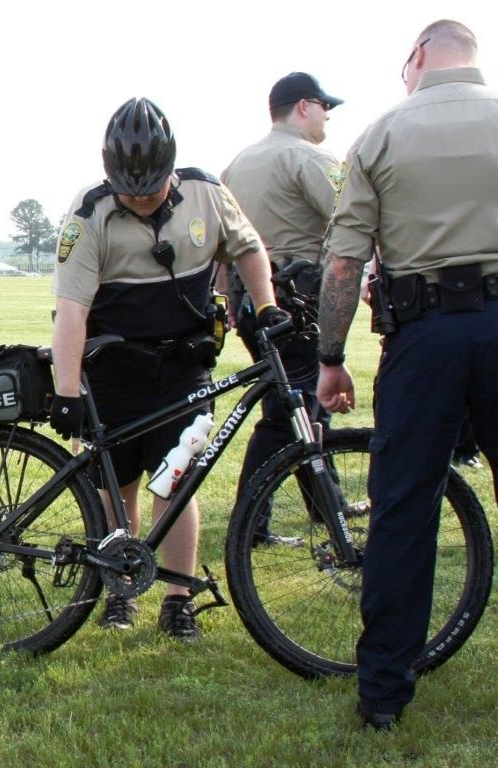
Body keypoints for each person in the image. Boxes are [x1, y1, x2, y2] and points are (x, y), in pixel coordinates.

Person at [315, 20, 498, 729]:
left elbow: (341, 266)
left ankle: (383, 695)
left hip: (421, 338)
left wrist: (329, 360)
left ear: (416, 56)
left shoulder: (381, 135)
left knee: (402, 516)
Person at [50, 97, 282, 640]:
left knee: (174, 483)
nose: (141, 200)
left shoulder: (206, 192)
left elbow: (248, 249)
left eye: (150, 189)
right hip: (113, 374)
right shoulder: (89, 214)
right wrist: (66, 391)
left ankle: (177, 598)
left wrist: (266, 304)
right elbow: (72, 311)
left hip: (183, 370)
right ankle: (118, 590)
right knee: (115, 488)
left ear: (171, 168)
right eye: (128, 190)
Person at [221, 72, 344, 543]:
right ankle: (252, 522)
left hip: (251, 298)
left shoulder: (238, 163)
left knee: (306, 404)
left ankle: (324, 503)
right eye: (324, 106)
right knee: (286, 410)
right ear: (304, 106)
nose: (328, 116)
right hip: (298, 297)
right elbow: (349, 220)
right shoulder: (309, 157)